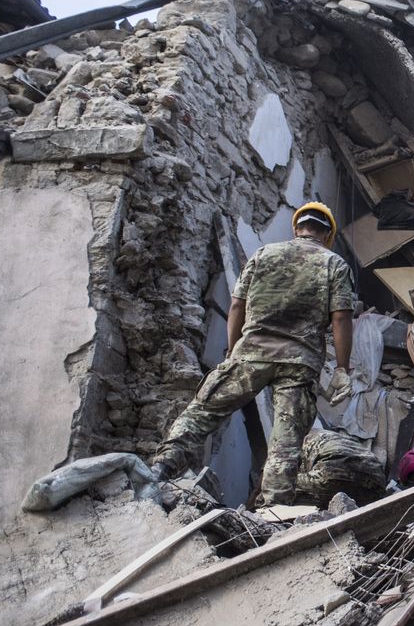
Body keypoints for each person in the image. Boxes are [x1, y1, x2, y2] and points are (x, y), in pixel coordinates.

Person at [152, 202, 355, 506]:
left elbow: (237, 305)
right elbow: (340, 317)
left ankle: (161, 468)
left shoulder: (263, 254)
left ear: (297, 227)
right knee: (285, 444)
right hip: (299, 364)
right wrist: (341, 368)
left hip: (252, 352)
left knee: (204, 411)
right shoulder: (334, 264)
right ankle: (273, 510)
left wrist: (233, 350)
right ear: (327, 235)